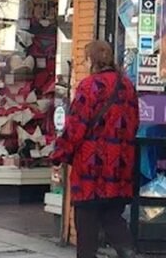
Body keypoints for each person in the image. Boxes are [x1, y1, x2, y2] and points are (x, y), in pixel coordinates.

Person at [52, 40, 140, 258]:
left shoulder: (89, 86)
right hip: (119, 167)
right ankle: (129, 254)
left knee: (87, 228)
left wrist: (59, 154)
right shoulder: (127, 86)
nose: (84, 63)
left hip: (91, 168)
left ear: (91, 60)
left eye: (85, 59)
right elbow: (134, 124)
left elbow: (76, 126)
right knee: (113, 219)